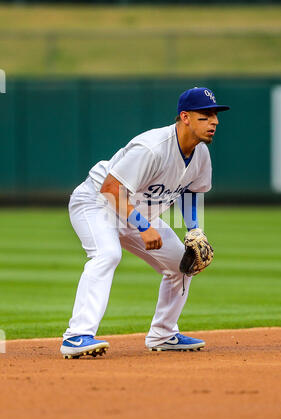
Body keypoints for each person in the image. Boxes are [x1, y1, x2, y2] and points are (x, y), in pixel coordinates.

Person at [60, 87, 230, 359]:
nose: (215, 121)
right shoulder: (152, 148)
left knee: (183, 264)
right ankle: (76, 336)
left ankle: (163, 334)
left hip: (135, 211)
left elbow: (191, 191)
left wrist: (194, 229)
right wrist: (142, 225)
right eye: (206, 115)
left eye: (215, 116)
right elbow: (111, 188)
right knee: (107, 254)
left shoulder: (200, 155)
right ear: (185, 117)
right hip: (96, 203)